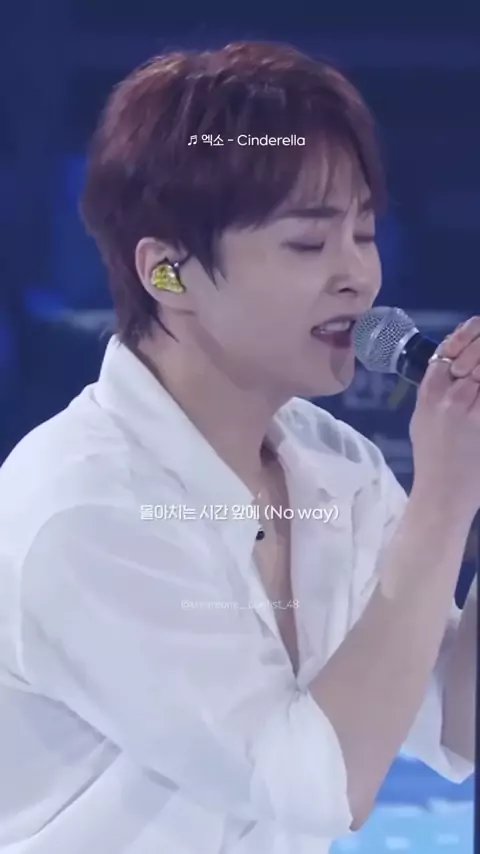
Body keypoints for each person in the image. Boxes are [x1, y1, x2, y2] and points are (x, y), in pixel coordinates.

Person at [0, 41, 477, 854]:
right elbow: (317, 788)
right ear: (169, 272)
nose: (358, 276)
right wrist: (443, 502)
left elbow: (457, 720)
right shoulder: (84, 511)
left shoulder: (336, 468)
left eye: (364, 232)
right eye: (308, 244)